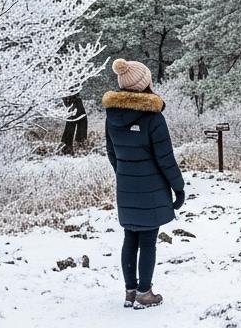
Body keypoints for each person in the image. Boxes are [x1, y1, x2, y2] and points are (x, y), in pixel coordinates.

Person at [102, 58, 185, 309]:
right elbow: (165, 159)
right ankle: (144, 293)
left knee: (130, 237)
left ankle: (130, 292)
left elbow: (112, 153)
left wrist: (125, 173)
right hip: (152, 189)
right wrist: (178, 188)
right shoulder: (153, 117)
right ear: (144, 83)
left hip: (126, 187)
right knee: (148, 239)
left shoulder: (111, 116)